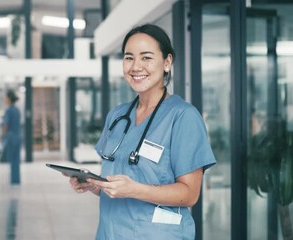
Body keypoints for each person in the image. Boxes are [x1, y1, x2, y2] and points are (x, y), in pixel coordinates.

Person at [66, 24, 216, 239]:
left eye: (146, 58)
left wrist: (133, 189)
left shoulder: (183, 117)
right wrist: (93, 184)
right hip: (110, 232)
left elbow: (190, 194)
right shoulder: (117, 116)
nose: (136, 66)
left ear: (167, 62)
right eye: (129, 58)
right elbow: (115, 186)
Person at [1, 89, 21, 184]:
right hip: (17, 137)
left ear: (9, 98)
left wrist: (2, 136)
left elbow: (5, 125)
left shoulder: (8, 110)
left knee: (12, 160)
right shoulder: (17, 110)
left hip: (10, 137)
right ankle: (16, 180)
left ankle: (13, 180)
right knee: (16, 160)